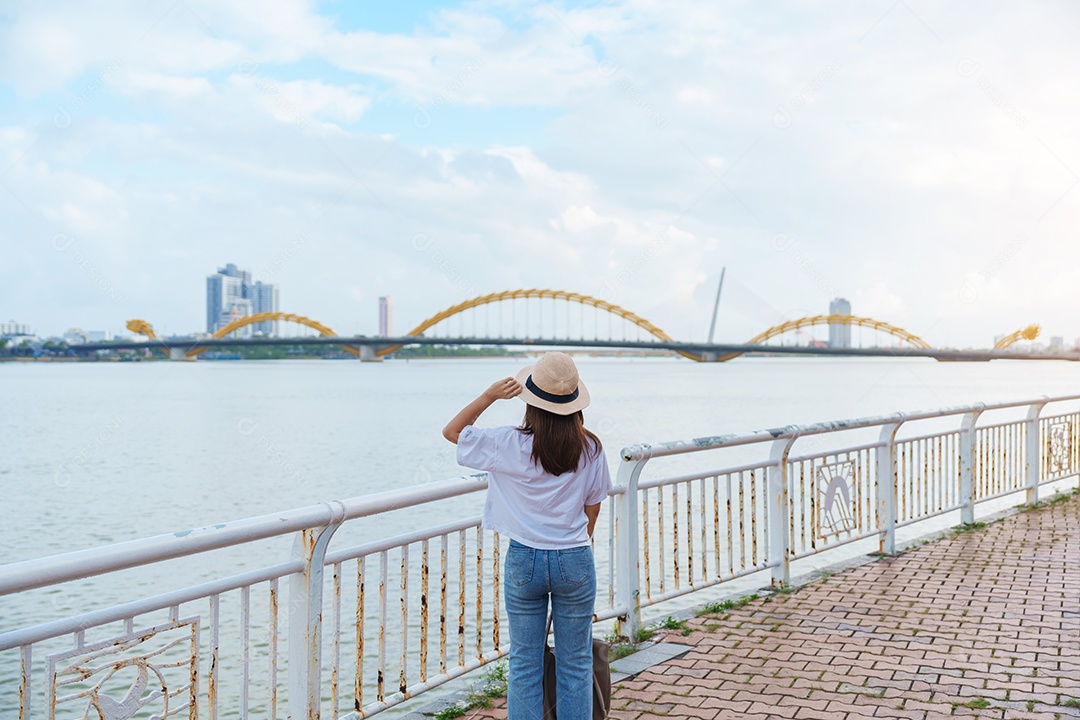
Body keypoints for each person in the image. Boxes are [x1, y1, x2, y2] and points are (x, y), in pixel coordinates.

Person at [443, 352, 611, 720]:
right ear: (574, 405)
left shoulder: (508, 443)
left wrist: (489, 395)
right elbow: (593, 507)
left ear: (531, 403)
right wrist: (578, 544)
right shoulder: (591, 448)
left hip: (524, 560)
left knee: (524, 662)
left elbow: (453, 433)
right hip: (574, 559)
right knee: (576, 661)